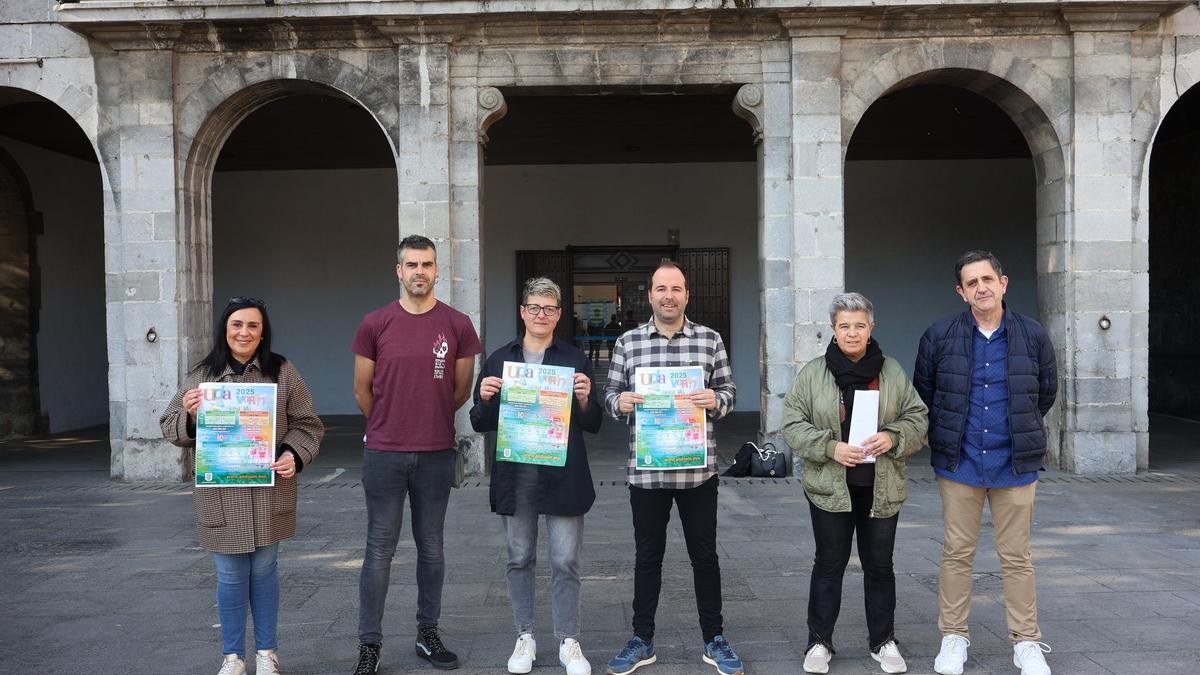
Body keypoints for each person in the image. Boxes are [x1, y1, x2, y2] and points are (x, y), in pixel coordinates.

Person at [160, 296, 324, 675]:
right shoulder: (202, 376)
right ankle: (232, 657)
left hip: (269, 491)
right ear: (225, 329)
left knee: (265, 572)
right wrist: (190, 416)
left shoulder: (282, 372)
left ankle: (267, 653)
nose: (244, 332)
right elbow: (169, 425)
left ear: (263, 331)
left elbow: (308, 423)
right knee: (230, 576)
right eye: (237, 324)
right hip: (222, 493)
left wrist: (293, 454)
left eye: (253, 325)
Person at [914, 251, 1057, 675]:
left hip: (1014, 463)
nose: (981, 288)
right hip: (959, 463)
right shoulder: (939, 336)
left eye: (987, 279)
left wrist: (1020, 429)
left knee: (1017, 557)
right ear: (961, 292)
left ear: (1003, 283)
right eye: (971, 282)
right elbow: (926, 391)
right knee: (957, 553)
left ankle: (1026, 642)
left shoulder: (1033, 335)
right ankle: (953, 637)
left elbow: (1045, 393)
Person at [603, 261, 743, 675]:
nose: (669, 296)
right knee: (647, 557)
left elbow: (729, 391)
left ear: (687, 295)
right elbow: (609, 394)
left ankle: (714, 638)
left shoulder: (709, 340)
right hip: (646, 474)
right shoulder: (628, 342)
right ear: (650, 295)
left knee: (705, 557)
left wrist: (716, 401)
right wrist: (619, 403)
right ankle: (641, 639)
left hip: (697, 472)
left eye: (676, 289)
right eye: (661, 289)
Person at [351, 235, 482, 673]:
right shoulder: (375, 323)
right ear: (399, 271)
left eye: (427, 264)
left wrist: (426, 420)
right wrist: (390, 425)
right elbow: (362, 391)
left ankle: (428, 633)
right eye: (412, 265)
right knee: (379, 550)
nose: (419, 272)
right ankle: (369, 645)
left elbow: (459, 391)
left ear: (437, 270)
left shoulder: (458, 324)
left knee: (432, 547)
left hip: (435, 453)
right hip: (384, 455)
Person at [781, 293, 928, 674]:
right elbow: (792, 424)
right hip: (830, 487)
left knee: (880, 566)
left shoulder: (891, 371)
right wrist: (830, 447)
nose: (852, 333)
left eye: (859, 325)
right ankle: (819, 641)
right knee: (829, 564)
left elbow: (917, 416)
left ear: (871, 328)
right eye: (844, 326)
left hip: (881, 486)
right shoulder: (814, 373)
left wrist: (893, 437)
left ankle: (883, 640)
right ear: (833, 329)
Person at [470, 277, 603, 675]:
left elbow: (594, 422)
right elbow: (479, 422)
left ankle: (569, 640)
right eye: (534, 308)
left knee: (566, 560)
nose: (540, 315)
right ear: (523, 312)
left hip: (564, 472)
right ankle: (524, 635)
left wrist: (584, 400)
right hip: (517, 475)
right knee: (519, 557)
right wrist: (485, 398)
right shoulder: (499, 360)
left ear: (559, 315)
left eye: (548, 309)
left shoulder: (575, 360)